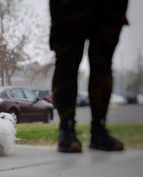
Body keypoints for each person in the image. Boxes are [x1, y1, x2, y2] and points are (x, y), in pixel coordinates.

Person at [49, 0, 129, 153]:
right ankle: (66, 129)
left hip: (109, 6)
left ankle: (99, 129)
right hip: (68, 6)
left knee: (103, 63)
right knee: (66, 60)